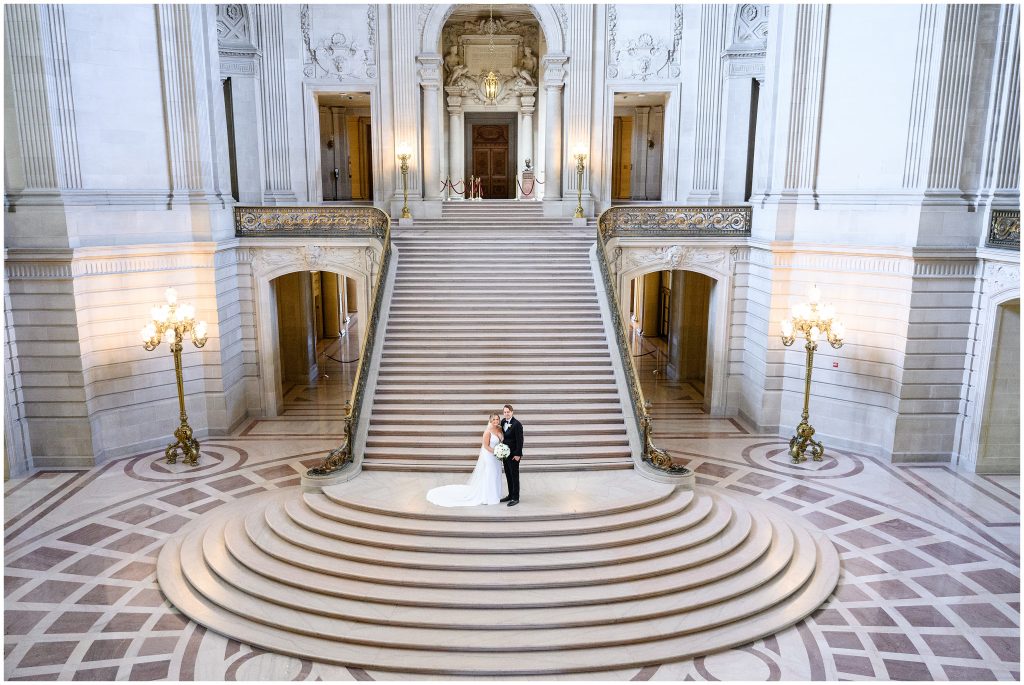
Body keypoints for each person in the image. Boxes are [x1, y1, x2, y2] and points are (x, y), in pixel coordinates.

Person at [426, 413, 504, 507]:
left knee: (496, 473)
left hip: (497, 457)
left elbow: (502, 440)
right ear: (490, 421)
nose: (496, 421)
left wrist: (501, 451)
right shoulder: (487, 432)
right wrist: (496, 451)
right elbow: (486, 446)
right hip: (490, 455)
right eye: (494, 419)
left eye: (497, 419)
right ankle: (487, 496)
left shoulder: (499, 428)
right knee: (490, 473)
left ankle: (496, 494)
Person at [500, 404, 524, 506]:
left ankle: (515, 497)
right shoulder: (503, 422)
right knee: (508, 475)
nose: (506, 414)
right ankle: (510, 495)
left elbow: (520, 440)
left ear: (512, 412)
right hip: (505, 455)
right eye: (505, 412)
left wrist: (518, 454)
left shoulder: (517, 424)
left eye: (508, 412)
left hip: (514, 455)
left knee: (514, 475)